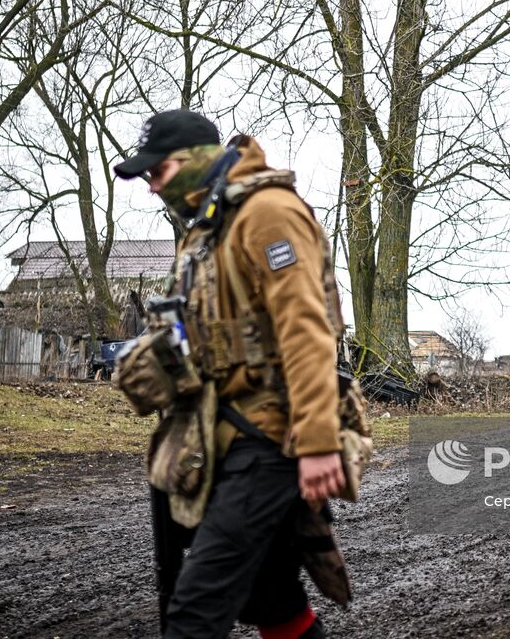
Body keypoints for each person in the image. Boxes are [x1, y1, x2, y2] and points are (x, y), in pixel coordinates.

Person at [114, 109, 348, 639]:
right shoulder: (205, 229)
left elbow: (307, 330)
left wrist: (316, 444)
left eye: (159, 172)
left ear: (196, 161)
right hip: (215, 432)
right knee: (273, 603)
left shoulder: (268, 213)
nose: (152, 188)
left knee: (195, 613)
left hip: (271, 438)